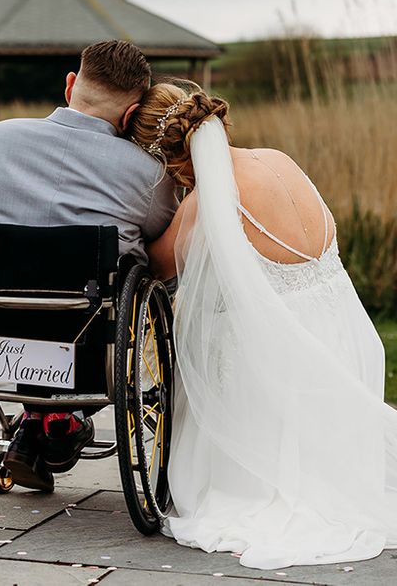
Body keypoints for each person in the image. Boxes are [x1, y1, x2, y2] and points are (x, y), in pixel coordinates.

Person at [129, 81, 397, 569]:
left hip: (281, 362)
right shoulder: (277, 158)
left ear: (166, 162)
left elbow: (155, 265)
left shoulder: (204, 202)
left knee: (218, 338)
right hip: (342, 337)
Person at [0, 40, 178, 492]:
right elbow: (156, 253)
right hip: (93, 344)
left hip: (3, 330)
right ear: (130, 113)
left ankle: (40, 423)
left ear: (71, 84)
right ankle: (63, 417)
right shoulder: (149, 173)